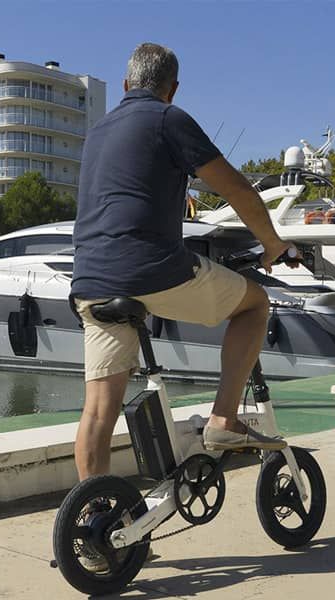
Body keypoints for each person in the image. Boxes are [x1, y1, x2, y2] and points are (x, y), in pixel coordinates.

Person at [71, 42, 297, 481]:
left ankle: (92, 525)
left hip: (91, 280)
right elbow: (237, 190)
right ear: (172, 89)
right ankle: (224, 422)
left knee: (98, 411)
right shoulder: (167, 118)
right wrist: (271, 243)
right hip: (151, 268)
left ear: (125, 84)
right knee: (254, 304)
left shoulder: (98, 131)